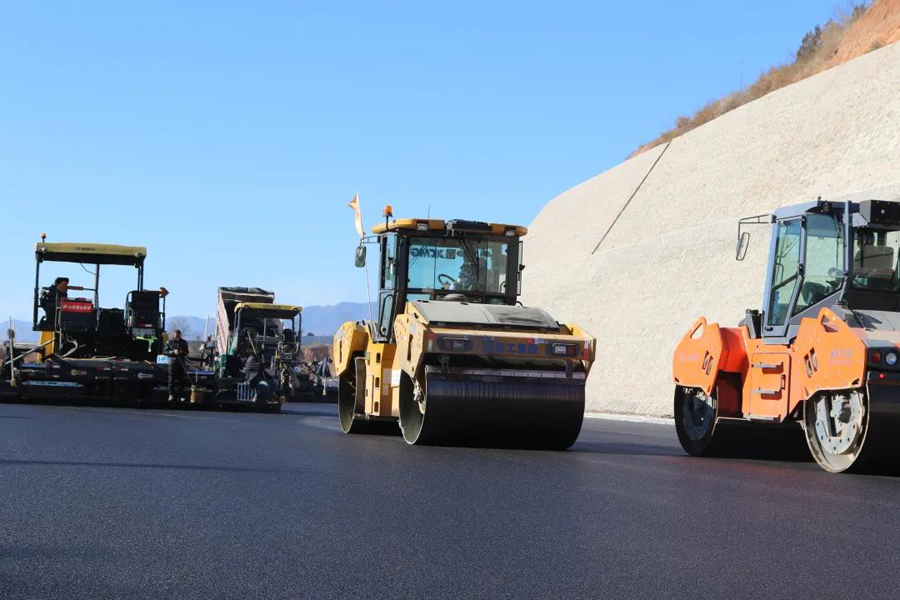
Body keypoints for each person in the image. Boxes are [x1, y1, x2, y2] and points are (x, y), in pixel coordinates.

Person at [166, 329, 190, 402]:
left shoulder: (184, 342)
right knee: (171, 379)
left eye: (178, 336)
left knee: (181, 380)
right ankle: (171, 394)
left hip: (181, 363)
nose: (177, 337)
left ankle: (181, 395)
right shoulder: (169, 342)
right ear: (174, 335)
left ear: (180, 335)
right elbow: (165, 351)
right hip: (172, 363)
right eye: (176, 336)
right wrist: (173, 352)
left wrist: (181, 352)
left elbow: (187, 352)